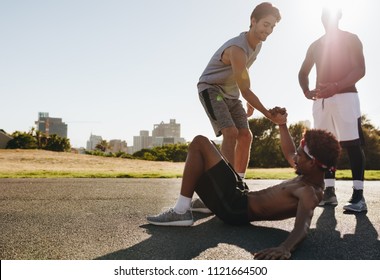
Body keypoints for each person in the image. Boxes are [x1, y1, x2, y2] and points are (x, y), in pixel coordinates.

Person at [147, 108, 341, 260]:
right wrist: (282, 125)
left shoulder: (310, 192)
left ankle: (181, 211)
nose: (294, 157)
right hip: (240, 194)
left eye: (299, 155)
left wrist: (284, 248)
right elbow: (289, 150)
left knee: (200, 143)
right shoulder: (306, 171)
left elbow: (303, 226)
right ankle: (206, 204)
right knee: (206, 155)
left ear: (313, 162)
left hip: (235, 208)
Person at [197, 2, 286, 180]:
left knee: (245, 136)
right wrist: (268, 114)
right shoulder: (237, 48)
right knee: (231, 132)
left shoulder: (257, 45)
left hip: (231, 93)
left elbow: (242, 74)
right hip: (212, 89)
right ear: (253, 21)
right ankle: (226, 184)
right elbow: (245, 89)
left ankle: (239, 182)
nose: (268, 30)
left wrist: (247, 98)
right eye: (265, 25)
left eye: (272, 26)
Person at [298, 7, 367, 212]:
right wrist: (305, 90)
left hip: (346, 97)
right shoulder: (315, 45)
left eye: (331, 15)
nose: (327, 19)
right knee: (323, 148)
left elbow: (360, 69)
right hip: (321, 102)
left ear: (339, 17)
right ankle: (329, 192)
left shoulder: (351, 38)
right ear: (320, 19)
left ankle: (358, 196)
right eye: (324, 16)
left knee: (353, 145)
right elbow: (302, 73)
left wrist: (336, 86)